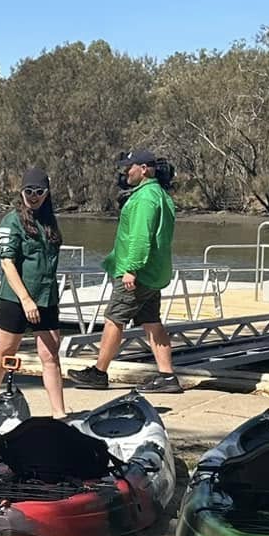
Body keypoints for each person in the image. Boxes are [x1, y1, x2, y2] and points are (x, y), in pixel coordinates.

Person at [68, 149, 180, 392]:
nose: (125, 171)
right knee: (152, 323)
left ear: (144, 169)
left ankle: (99, 373)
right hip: (154, 274)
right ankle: (168, 376)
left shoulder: (145, 199)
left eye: (130, 167)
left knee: (113, 319)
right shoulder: (161, 196)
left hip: (137, 274)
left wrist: (131, 268)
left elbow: (141, 237)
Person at [0, 169, 67, 415]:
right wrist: (26, 299)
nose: (33, 196)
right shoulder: (12, 221)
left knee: (50, 355)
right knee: (5, 351)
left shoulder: (50, 220)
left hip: (47, 297)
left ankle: (59, 413)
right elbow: (7, 263)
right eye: (28, 191)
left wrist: (41, 299)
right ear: (21, 192)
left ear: (46, 193)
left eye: (39, 192)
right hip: (15, 299)